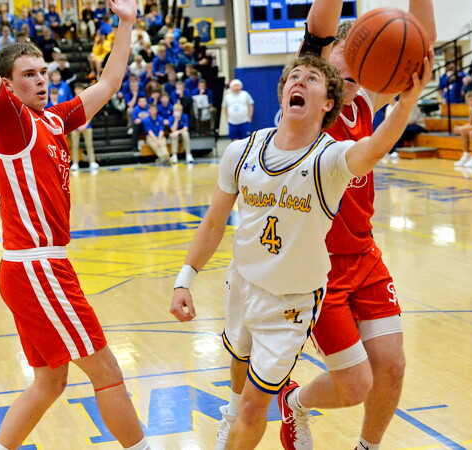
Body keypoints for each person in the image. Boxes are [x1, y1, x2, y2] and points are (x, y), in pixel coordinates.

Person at [171, 51, 433, 450]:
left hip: (291, 303)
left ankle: (259, 414)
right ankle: (231, 413)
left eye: (312, 79)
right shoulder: (240, 151)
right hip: (241, 282)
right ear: (282, 94)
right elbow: (212, 224)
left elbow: (374, 147)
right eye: (294, 76)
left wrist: (407, 102)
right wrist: (184, 279)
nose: (299, 81)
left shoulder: (330, 160)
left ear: (328, 102)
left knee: (254, 409)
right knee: (239, 366)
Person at [0, 0, 149, 449]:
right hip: (37, 266)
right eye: (29, 75)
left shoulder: (54, 119)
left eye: (43, 72)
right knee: (107, 371)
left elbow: (110, 83)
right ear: (6, 85)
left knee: (50, 382)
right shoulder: (11, 121)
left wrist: (127, 22)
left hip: (30, 268)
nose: (41, 80)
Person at [276, 2, 436, 450]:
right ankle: (294, 402)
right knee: (354, 385)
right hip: (316, 268)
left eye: (356, 67)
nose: (347, 74)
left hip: (364, 255)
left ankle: (368, 447)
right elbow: (318, 28)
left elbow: (422, 45)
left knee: (393, 366)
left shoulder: (364, 103)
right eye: (339, 63)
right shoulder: (307, 111)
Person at [70, 83, 99, 172]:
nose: (79, 91)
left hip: (87, 125)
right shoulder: (71, 101)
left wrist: (85, 124)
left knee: (89, 145)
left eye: (80, 89)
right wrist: (78, 125)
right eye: (77, 89)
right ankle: (75, 163)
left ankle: (92, 162)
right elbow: (71, 114)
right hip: (75, 126)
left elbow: (91, 112)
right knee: (75, 145)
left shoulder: (87, 100)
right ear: (75, 90)